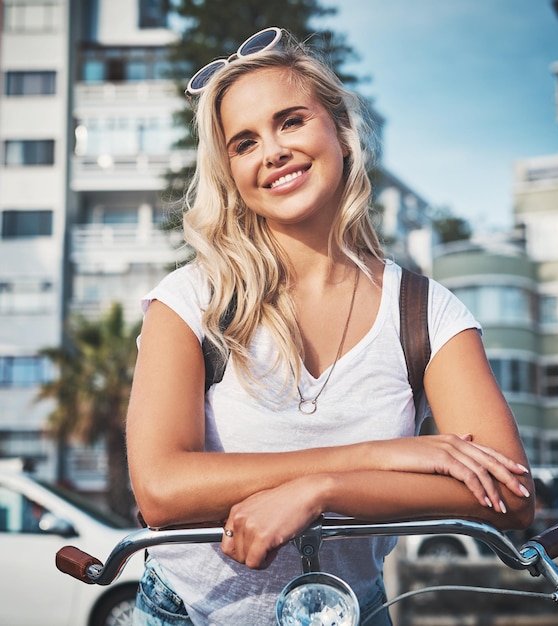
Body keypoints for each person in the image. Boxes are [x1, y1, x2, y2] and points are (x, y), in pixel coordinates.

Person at [126, 27, 535, 626]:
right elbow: (161, 490)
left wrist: (322, 490)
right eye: (244, 143)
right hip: (187, 612)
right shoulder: (191, 301)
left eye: (290, 121)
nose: (272, 152)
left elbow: (511, 496)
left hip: (350, 611)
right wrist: (385, 456)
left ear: (339, 129)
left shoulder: (425, 311)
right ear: (230, 174)